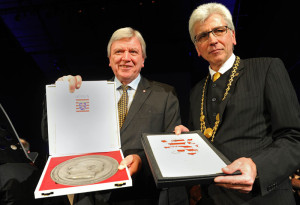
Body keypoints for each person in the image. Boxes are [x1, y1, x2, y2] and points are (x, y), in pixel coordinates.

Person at [41, 27, 188, 205]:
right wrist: (60, 97)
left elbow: (170, 149)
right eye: (119, 52)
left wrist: (140, 160)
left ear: (143, 60)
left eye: (133, 52)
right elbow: (51, 136)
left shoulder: (165, 95)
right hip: (91, 195)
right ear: (110, 60)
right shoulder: (87, 93)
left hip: (140, 195)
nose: (126, 58)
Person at [174, 3, 300, 205]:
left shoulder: (267, 68)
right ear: (197, 48)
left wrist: (258, 166)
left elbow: (294, 137)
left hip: (265, 197)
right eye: (203, 36)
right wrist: (186, 140)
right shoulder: (196, 91)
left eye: (219, 30)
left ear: (232, 36)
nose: (213, 40)